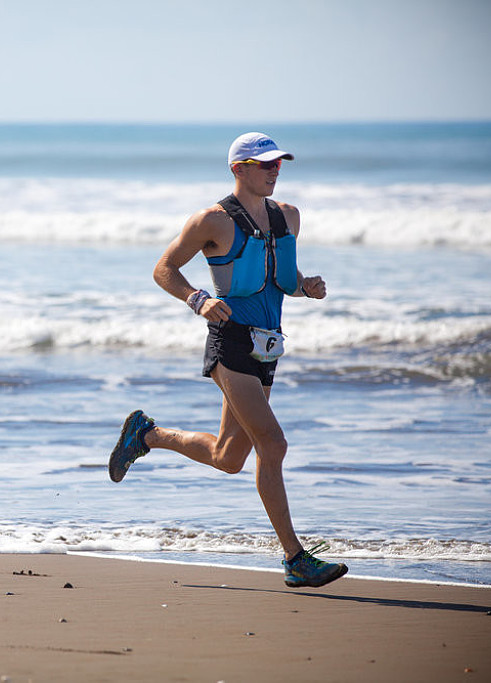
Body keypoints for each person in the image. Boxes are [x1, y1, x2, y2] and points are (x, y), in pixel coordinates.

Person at [108, 132, 348, 588]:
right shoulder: (212, 221)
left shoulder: (289, 216)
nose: (275, 170)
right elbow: (164, 269)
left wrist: (305, 287)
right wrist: (197, 299)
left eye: (278, 163)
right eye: (265, 164)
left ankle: (147, 434)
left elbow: (281, 277)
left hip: (267, 346)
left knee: (229, 457)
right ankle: (295, 558)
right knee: (272, 444)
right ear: (239, 169)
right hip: (230, 343)